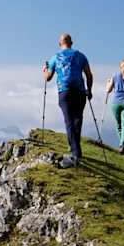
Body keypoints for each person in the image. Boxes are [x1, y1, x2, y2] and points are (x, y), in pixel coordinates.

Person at [43, 33, 93, 168]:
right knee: (77, 120)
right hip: (80, 91)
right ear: (72, 43)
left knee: (69, 120)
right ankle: (76, 149)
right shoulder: (81, 56)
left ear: (60, 43)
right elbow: (89, 75)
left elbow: (48, 78)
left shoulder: (55, 57)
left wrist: (45, 70)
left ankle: (75, 152)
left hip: (64, 91)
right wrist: (89, 90)